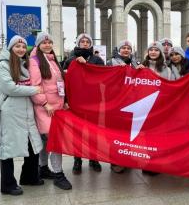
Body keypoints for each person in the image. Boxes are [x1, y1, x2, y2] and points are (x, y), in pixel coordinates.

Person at [0, 35, 44, 196]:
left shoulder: (24, 64)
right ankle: (7, 184)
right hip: (10, 113)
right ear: (10, 48)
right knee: (8, 148)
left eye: (23, 47)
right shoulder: (3, 65)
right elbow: (9, 88)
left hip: (26, 112)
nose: (21, 49)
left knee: (33, 145)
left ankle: (29, 176)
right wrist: (34, 90)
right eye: (17, 46)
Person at [28, 32, 72, 190]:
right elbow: (35, 86)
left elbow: (59, 83)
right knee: (56, 141)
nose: (47, 45)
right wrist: (44, 103)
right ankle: (59, 174)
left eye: (49, 42)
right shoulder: (35, 61)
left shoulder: (52, 60)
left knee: (47, 141)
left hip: (56, 108)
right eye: (44, 43)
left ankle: (43, 168)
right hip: (45, 108)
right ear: (38, 45)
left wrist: (64, 101)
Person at [63, 33, 105, 175]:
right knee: (78, 132)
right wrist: (66, 101)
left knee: (94, 132)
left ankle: (94, 159)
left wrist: (86, 66)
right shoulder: (70, 60)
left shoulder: (97, 60)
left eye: (88, 41)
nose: (85, 43)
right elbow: (66, 82)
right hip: (76, 101)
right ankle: (77, 160)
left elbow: (101, 78)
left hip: (93, 101)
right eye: (83, 41)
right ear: (78, 43)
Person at [137, 41, 173, 176]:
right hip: (145, 107)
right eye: (151, 50)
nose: (153, 52)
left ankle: (157, 163)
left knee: (158, 137)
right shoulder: (141, 67)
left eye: (156, 50)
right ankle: (149, 162)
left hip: (160, 108)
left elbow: (170, 88)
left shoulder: (167, 70)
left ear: (160, 53)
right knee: (146, 137)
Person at [107, 40, 138, 174]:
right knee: (115, 134)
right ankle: (115, 161)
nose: (126, 50)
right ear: (119, 50)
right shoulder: (110, 62)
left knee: (129, 134)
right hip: (115, 103)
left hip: (132, 103)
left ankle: (127, 158)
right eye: (123, 48)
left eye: (128, 48)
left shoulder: (135, 64)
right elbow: (105, 81)